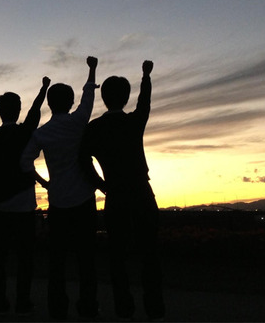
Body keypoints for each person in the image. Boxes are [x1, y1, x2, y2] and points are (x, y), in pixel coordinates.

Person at [80, 60, 165, 321]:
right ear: (126, 98)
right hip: (141, 193)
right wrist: (146, 76)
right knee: (149, 254)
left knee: (117, 257)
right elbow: (145, 103)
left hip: (115, 196)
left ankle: (124, 310)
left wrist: (101, 185)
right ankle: (155, 310)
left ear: (104, 98)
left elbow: (83, 161)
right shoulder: (134, 122)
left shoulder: (93, 128)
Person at [20, 56, 100, 320]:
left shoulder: (41, 133)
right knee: (87, 259)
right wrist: (92, 69)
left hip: (58, 202)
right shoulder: (79, 121)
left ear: (49, 104)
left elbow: (25, 162)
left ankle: (57, 309)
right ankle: (88, 307)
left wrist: (44, 182)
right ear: (70, 102)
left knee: (58, 261)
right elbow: (88, 96)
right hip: (84, 200)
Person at [0, 76, 51, 316]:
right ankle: (23, 302)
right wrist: (44, 88)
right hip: (25, 207)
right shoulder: (25, 133)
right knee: (25, 259)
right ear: (17, 109)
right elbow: (35, 111)